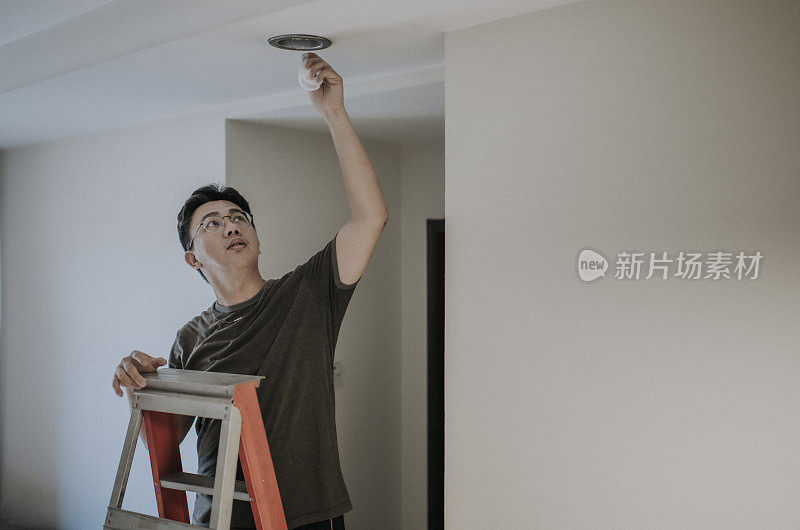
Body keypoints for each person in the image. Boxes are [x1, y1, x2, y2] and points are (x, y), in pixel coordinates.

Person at [111, 53, 388, 529]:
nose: (231, 226)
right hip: (222, 516)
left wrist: (334, 113)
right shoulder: (190, 337)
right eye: (212, 223)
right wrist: (141, 384)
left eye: (239, 218)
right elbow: (170, 437)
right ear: (193, 258)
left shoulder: (308, 295)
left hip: (307, 517)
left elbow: (370, 218)